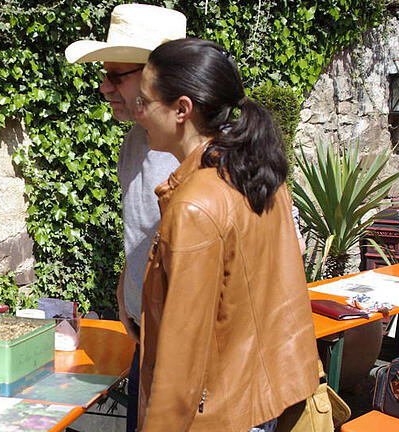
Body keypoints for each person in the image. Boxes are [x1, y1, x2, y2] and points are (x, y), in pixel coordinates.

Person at [134, 38, 319, 432]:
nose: (139, 114)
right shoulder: (257, 171)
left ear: (181, 109)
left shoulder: (195, 205)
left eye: (145, 102)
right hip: (262, 402)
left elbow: (181, 358)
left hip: (219, 416)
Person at [65, 5, 185, 431]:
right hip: (147, 333)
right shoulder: (138, 139)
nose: (104, 87)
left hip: (182, 351)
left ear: (160, 76)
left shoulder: (193, 151)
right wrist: (125, 286)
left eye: (118, 75)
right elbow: (147, 230)